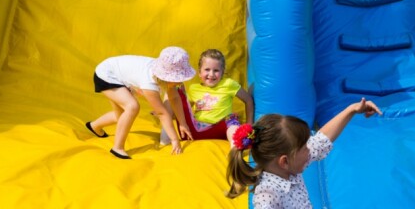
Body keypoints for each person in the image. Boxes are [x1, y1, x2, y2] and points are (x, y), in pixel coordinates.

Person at [226, 98, 382, 207]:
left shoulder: (287, 167)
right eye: (305, 147)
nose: (310, 148)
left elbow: (322, 140)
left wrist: (352, 109)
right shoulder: (267, 195)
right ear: (284, 161)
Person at [85, 46, 195, 159]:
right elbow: (162, 113)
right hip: (106, 75)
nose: (180, 81)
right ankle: (117, 148)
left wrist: (182, 123)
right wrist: (174, 140)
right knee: (132, 107)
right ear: (166, 77)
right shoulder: (149, 84)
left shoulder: (165, 76)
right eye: (178, 79)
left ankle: (94, 126)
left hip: (114, 71)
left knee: (122, 116)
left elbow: (175, 99)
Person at [169, 49, 253, 148]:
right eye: (207, 70)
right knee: (177, 91)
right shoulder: (194, 88)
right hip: (196, 131)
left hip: (221, 130)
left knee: (231, 118)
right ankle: (166, 136)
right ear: (199, 72)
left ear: (222, 73)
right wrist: (168, 113)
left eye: (216, 70)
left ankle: (234, 146)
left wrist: (249, 124)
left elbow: (248, 100)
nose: (211, 74)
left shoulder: (228, 84)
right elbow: (184, 110)